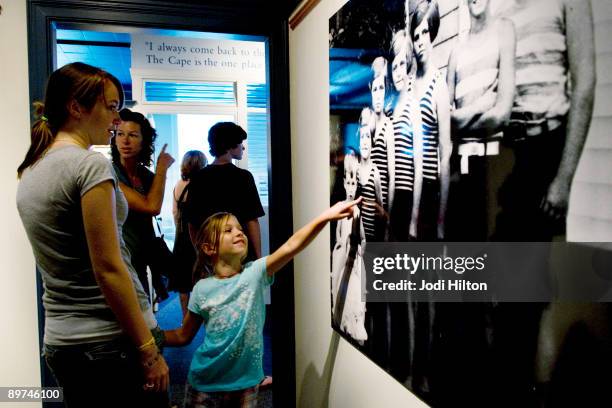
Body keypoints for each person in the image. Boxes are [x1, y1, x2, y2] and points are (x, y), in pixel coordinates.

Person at [16, 62, 169, 407]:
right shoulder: (90, 165)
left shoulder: (32, 170)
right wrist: (148, 351)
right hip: (110, 344)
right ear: (76, 107)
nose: (117, 120)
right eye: (112, 107)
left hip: (62, 341)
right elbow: (108, 268)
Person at [491, 1, 596, 406]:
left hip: (547, 151)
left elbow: (585, 85)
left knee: (529, 299)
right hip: (511, 154)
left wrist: (563, 180)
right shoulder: (507, 9)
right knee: (508, 296)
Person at [163, 200, 360, 407]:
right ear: (209, 247)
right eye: (228, 230)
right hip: (205, 383)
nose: (239, 233)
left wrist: (325, 216)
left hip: (246, 385)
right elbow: (183, 335)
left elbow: (292, 246)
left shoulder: (255, 273)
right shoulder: (202, 289)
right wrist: (148, 338)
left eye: (240, 229)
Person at [446, 0, 515, 241]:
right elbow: (448, 122)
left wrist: (462, 119)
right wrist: (486, 102)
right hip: (463, 169)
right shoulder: (456, 52)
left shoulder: (503, 32)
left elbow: (502, 114)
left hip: (494, 167)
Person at [111, 108, 175, 302]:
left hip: (141, 256)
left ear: (144, 140)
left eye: (132, 135)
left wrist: (158, 172)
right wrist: (162, 168)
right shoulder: (109, 173)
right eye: (120, 134)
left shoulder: (145, 176)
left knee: (143, 312)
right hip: (119, 258)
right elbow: (151, 206)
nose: (125, 141)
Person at [185, 122, 264, 263]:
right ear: (230, 145)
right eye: (240, 143)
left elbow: (192, 224)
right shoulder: (243, 177)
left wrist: (201, 255)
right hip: (241, 252)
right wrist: (258, 257)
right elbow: (252, 220)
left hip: (213, 253)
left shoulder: (198, 178)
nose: (243, 147)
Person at [410, 0, 452, 241]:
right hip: (405, 190)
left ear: (432, 33)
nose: (420, 42)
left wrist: (441, 223)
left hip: (428, 192)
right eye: (416, 36)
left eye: (425, 32)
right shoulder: (408, 84)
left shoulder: (439, 86)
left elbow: (445, 155)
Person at [331, 152, 367, 344]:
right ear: (344, 182)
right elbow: (338, 236)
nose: (351, 187)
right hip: (342, 258)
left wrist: (360, 247)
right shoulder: (341, 207)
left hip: (354, 260)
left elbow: (361, 236)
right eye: (349, 182)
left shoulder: (356, 211)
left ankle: (354, 325)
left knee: (354, 295)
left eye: (354, 184)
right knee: (339, 290)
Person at [389, 28, 422, 242]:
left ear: (410, 65)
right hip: (395, 202)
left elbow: (418, 166)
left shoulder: (413, 106)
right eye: (394, 66)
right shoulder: (391, 108)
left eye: (402, 64)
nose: (398, 71)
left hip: (409, 199)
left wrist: (414, 220)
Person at [171, 150, 208, 319]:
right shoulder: (202, 185)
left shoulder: (179, 185)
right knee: (202, 276)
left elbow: (175, 212)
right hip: (199, 236)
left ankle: (185, 318)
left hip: (181, 236)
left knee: (183, 283)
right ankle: (203, 317)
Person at [369, 56, 395, 223]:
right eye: (375, 89)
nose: (378, 94)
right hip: (368, 207)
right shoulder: (369, 126)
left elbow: (392, 177)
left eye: (381, 89)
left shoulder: (388, 127)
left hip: (382, 209)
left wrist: (388, 216)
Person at [358, 107, 385, 242]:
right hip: (357, 239)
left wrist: (377, 208)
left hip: (372, 240)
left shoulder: (375, 173)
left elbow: (381, 210)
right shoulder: (355, 171)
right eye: (362, 137)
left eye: (368, 137)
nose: (364, 141)